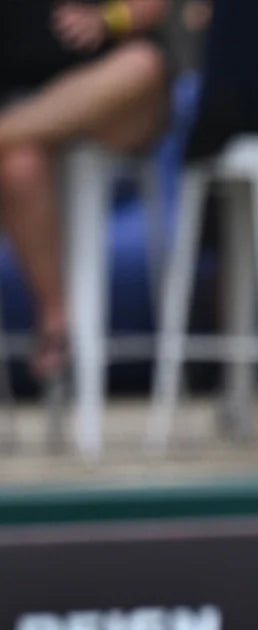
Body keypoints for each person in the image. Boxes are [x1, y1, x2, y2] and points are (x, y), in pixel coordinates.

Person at [0, 0, 172, 384]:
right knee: (18, 168)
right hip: (24, 108)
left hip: (107, 96)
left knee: (142, 65)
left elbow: (154, 8)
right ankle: (56, 318)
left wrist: (108, 19)